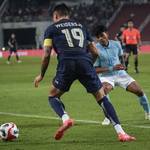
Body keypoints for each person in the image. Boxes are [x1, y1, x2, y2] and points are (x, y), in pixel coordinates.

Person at [34, 4, 136, 142]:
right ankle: (121, 132)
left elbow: (46, 55)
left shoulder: (51, 29)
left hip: (66, 63)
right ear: (68, 15)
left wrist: (41, 75)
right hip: (85, 62)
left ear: (56, 16)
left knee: (53, 96)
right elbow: (96, 52)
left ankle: (66, 119)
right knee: (102, 98)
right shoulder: (82, 27)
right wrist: (88, 64)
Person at [92, 25, 150, 125]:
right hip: (106, 76)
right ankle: (108, 117)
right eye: (97, 37)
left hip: (121, 74)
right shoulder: (95, 50)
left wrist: (122, 63)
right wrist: (111, 68)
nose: (100, 38)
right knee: (104, 91)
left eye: (101, 35)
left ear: (107, 34)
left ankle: (148, 114)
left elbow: (120, 56)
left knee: (139, 91)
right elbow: (94, 69)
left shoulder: (116, 44)